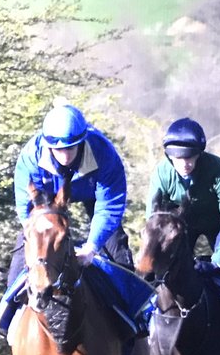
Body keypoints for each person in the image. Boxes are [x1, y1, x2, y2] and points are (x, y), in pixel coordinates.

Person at [8, 100, 131, 284]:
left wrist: (92, 247)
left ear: (82, 142)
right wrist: (35, 241)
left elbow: (109, 206)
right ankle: (4, 310)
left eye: (70, 148)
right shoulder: (31, 157)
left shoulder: (104, 153)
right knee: (18, 268)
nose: (65, 156)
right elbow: (27, 211)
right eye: (58, 150)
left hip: (93, 195)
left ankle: (137, 310)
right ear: (48, 145)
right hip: (47, 200)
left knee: (119, 255)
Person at [146, 116, 220, 281]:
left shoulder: (218, 169)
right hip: (183, 225)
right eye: (178, 158)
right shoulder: (161, 173)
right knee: (163, 272)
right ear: (169, 156)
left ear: (199, 154)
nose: (185, 163)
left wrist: (216, 262)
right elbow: (152, 220)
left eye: (190, 157)